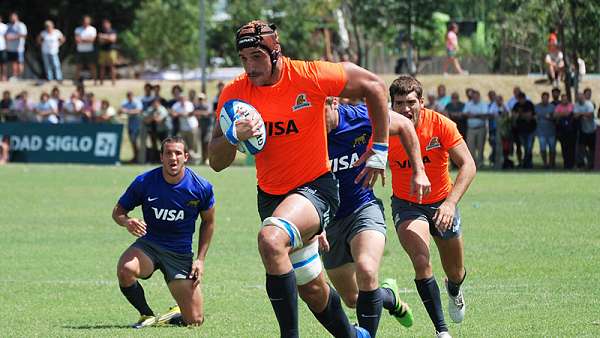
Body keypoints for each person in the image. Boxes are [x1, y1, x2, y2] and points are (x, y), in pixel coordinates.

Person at [208, 20, 389, 338]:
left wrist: (379, 149)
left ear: (275, 51)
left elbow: (374, 85)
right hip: (270, 197)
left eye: (257, 56)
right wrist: (232, 137)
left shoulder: (309, 75)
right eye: (244, 59)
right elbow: (216, 162)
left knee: (271, 239)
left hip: (315, 189)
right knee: (313, 289)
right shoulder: (235, 94)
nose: (250, 66)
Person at [320, 98, 431, 337]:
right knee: (353, 299)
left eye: (320, 112)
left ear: (333, 103)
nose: (315, 122)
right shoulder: (306, 131)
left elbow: (404, 125)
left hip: (363, 208)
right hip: (328, 222)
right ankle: (390, 297)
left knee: (367, 270)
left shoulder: (360, 117)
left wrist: (419, 170)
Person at [387, 75, 476, 338]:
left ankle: (455, 289)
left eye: (411, 102)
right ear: (391, 105)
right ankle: (442, 332)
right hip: (407, 205)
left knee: (455, 271)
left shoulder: (441, 125)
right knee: (421, 260)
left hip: (442, 204)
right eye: (399, 103)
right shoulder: (384, 128)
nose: (405, 109)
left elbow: (468, 165)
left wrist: (450, 204)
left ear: (422, 103)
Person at [112, 136, 215, 328]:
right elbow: (118, 212)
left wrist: (200, 259)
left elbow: (208, 222)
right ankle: (146, 315)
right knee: (125, 270)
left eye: (178, 153)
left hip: (179, 253)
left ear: (186, 156)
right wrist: (127, 222)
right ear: (161, 157)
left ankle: (173, 315)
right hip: (149, 246)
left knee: (195, 321)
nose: (173, 158)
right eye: (168, 153)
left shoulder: (201, 187)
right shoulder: (144, 182)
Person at [463, 90, 490, 167]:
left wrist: (473, 115)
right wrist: (478, 115)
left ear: (479, 97)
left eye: (476, 97)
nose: (475, 98)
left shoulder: (483, 104)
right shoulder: (468, 104)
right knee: (470, 147)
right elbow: (465, 114)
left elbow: (485, 115)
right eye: (473, 97)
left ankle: (480, 163)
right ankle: (472, 165)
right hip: (471, 129)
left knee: (480, 147)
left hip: (480, 128)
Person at [512, 93, 536, 169]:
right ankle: (523, 163)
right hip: (520, 131)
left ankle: (528, 163)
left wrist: (519, 114)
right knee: (523, 147)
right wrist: (524, 115)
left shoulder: (529, 104)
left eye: (522, 99)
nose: (521, 100)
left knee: (529, 148)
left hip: (530, 130)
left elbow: (529, 117)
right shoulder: (516, 105)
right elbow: (513, 116)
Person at [573, 92, 596, 169]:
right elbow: (575, 116)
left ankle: (591, 164)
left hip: (592, 130)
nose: (579, 99)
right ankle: (583, 163)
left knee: (592, 149)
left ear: (583, 97)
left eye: (580, 97)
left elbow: (590, 115)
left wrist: (580, 114)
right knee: (581, 147)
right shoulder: (576, 105)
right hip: (583, 130)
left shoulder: (589, 104)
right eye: (578, 97)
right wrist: (584, 114)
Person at [535, 92, 557, 169]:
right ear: (542, 98)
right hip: (541, 131)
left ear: (548, 98)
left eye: (546, 98)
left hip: (551, 131)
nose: (545, 100)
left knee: (552, 149)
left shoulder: (552, 107)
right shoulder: (537, 107)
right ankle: (545, 163)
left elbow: (555, 117)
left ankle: (551, 163)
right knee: (543, 149)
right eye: (543, 98)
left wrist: (550, 117)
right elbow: (535, 117)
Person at [553, 94, 576, 169]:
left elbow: (572, 114)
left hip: (571, 131)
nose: (564, 101)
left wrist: (561, 114)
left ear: (568, 100)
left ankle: (572, 164)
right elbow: (555, 115)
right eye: (563, 99)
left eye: (566, 99)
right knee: (564, 148)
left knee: (571, 148)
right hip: (562, 131)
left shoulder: (572, 106)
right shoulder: (558, 107)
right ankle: (566, 164)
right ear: (561, 100)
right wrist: (564, 114)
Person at [120, 91, 144, 163]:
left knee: (137, 141)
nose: (129, 97)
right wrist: (122, 111)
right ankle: (135, 157)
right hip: (130, 124)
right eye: (128, 96)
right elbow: (120, 110)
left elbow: (138, 110)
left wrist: (127, 111)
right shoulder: (125, 103)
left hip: (138, 124)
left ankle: (139, 158)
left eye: (130, 96)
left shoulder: (137, 102)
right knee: (132, 141)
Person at [74, 16, 97, 84]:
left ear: (89, 22)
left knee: (92, 65)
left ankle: (95, 81)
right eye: (84, 21)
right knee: (78, 66)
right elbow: (77, 40)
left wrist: (82, 39)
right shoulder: (78, 29)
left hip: (89, 50)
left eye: (87, 21)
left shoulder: (92, 29)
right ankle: (76, 81)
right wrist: (87, 39)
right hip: (80, 50)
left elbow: (92, 40)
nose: (85, 22)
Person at [5, 13, 27, 79]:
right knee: (13, 63)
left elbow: (23, 35)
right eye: (11, 17)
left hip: (19, 48)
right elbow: (5, 35)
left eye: (13, 17)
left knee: (20, 62)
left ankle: (20, 76)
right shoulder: (8, 25)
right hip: (10, 48)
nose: (12, 18)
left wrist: (13, 37)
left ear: (17, 17)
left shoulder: (21, 25)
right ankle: (14, 77)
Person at [98, 19, 118, 85]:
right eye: (104, 24)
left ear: (109, 24)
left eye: (107, 24)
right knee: (102, 66)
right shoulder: (101, 31)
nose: (105, 25)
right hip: (103, 51)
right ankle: (101, 82)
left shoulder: (113, 31)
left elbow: (113, 39)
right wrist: (108, 38)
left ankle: (113, 82)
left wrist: (104, 37)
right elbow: (100, 41)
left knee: (112, 66)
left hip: (112, 50)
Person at [194, 92, 212, 165]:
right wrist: (201, 113)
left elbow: (207, 113)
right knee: (201, 143)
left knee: (207, 143)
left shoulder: (208, 105)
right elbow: (194, 113)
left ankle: (207, 158)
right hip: (200, 127)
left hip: (208, 127)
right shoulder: (197, 106)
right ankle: (203, 158)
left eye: (201, 99)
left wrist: (199, 113)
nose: (200, 100)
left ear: (204, 99)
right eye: (199, 99)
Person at [0, 15, 8, 81]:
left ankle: (4, 77)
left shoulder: (5, 26)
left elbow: (7, 37)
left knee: (3, 63)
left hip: (2, 47)